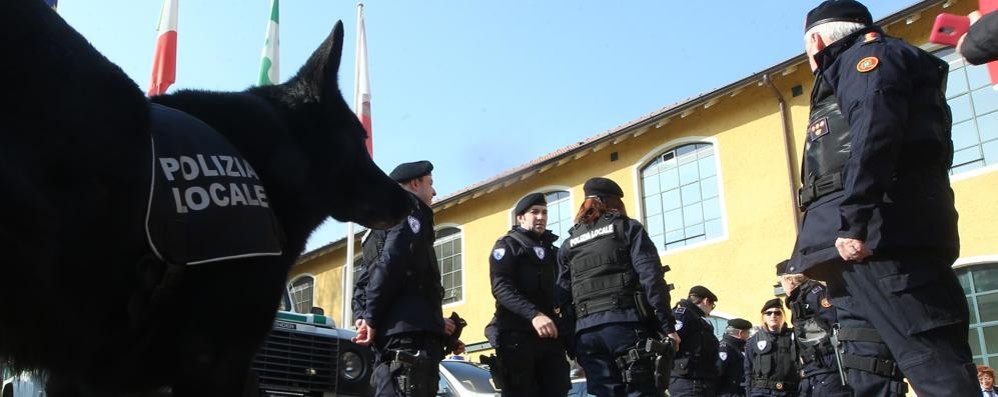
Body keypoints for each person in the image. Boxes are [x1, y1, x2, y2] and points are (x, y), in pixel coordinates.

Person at [789, 1, 979, 395]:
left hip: (881, 239)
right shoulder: (850, 68)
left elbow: (876, 134)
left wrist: (855, 219)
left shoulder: (870, 60)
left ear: (817, 40)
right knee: (867, 369)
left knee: (932, 361)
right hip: (853, 249)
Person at [556, 177, 680, 397]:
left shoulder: (568, 245)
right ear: (613, 202)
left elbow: (562, 298)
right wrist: (667, 327)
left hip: (586, 334)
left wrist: (572, 344)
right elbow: (651, 278)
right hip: (626, 326)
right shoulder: (628, 228)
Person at [352, 160, 464, 397]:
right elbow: (391, 264)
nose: (433, 191)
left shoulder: (378, 224)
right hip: (408, 342)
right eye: (430, 184)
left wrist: (362, 317)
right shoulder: (410, 213)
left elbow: (363, 283)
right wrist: (369, 319)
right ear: (415, 183)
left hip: (391, 338)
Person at [485, 193, 570, 397]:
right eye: (535, 212)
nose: (541, 217)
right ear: (520, 217)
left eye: (544, 212)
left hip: (550, 339)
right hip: (517, 336)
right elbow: (501, 287)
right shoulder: (508, 245)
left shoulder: (553, 251)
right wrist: (534, 314)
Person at [777, 261, 849, 397]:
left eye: (781, 282)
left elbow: (834, 324)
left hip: (828, 366)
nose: (782, 286)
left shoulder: (814, 293)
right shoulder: (800, 299)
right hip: (815, 368)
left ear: (789, 279)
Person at [670, 285, 721, 397]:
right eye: (712, 306)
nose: (710, 312)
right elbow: (672, 340)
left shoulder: (698, 318)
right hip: (687, 380)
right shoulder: (683, 314)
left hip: (699, 380)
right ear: (706, 301)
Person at [744, 299, 800, 397]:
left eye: (777, 313)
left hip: (789, 392)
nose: (773, 316)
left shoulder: (793, 337)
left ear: (783, 316)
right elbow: (748, 371)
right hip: (762, 392)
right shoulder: (753, 341)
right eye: (768, 313)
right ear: (763, 317)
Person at [716, 318, 753, 397]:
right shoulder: (725, 348)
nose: (749, 335)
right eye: (748, 332)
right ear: (740, 333)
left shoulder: (740, 347)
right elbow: (718, 372)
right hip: (728, 393)